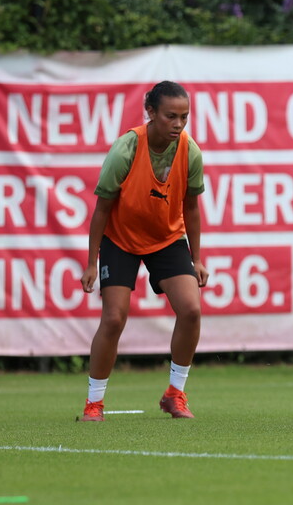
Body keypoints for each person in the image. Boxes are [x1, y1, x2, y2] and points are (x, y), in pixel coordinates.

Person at [79, 81, 208, 422]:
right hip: (119, 239)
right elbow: (102, 209)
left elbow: (191, 208)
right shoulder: (126, 149)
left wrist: (197, 258)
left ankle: (174, 395)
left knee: (191, 310)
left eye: (184, 117)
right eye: (170, 116)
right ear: (151, 113)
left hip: (167, 237)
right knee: (114, 317)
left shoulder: (190, 151)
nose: (178, 124)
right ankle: (94, 403)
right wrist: (92, 262)